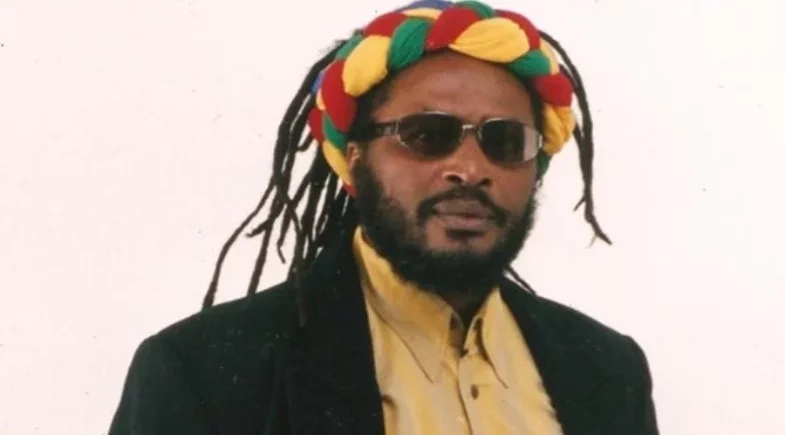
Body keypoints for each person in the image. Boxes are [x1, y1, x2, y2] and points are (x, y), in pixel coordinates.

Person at [108, 1, 659, 434]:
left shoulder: (609, 370)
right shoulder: (201, 372)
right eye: (427, 135)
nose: (470, 169)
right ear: (354, 157)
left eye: (506, 141)